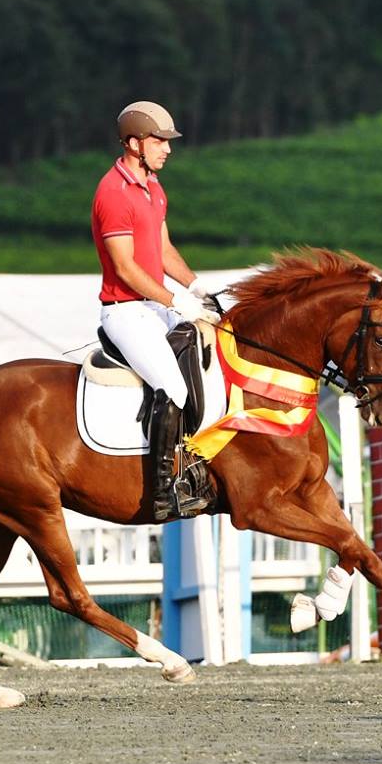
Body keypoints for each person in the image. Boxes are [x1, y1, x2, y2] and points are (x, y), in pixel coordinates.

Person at [92, 100, 221, 521]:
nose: (167, 149)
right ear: (133, 143)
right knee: (174, 387)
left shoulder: (153, 187)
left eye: (167, 142)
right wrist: (174, 301)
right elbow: (126, 267)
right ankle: (163, 491)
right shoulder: (112, 192)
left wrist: (195, 287)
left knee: (210, 354)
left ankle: (197, 465)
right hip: (125, 311)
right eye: (159, 141)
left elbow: (163, 250)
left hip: (154, 304)